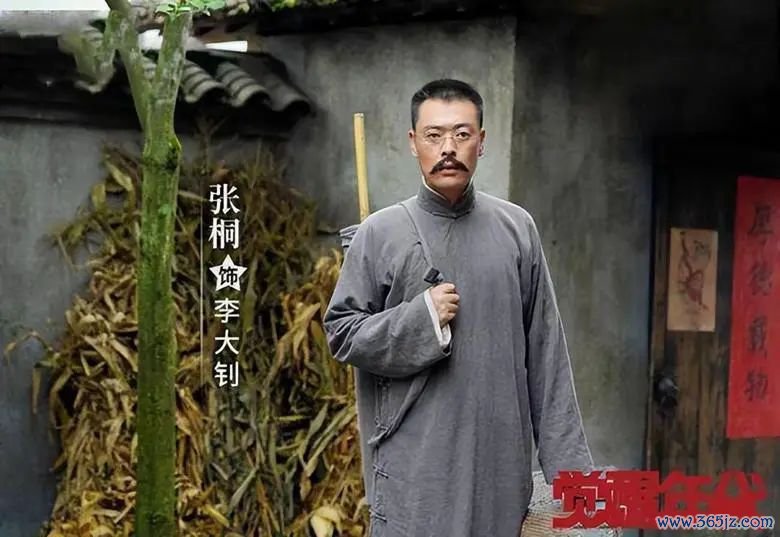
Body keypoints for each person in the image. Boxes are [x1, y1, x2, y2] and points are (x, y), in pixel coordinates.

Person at [323, 79, 594, 537]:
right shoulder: (379, 233)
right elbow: (342, 332)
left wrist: (575, 482)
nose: (448, 148)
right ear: (413, 142)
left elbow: (547, 359)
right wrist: (421, 319)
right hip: (415, 471)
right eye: (434, 135)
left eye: (462, 134)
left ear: (481, 141)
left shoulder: (517, 228)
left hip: (499, 470)